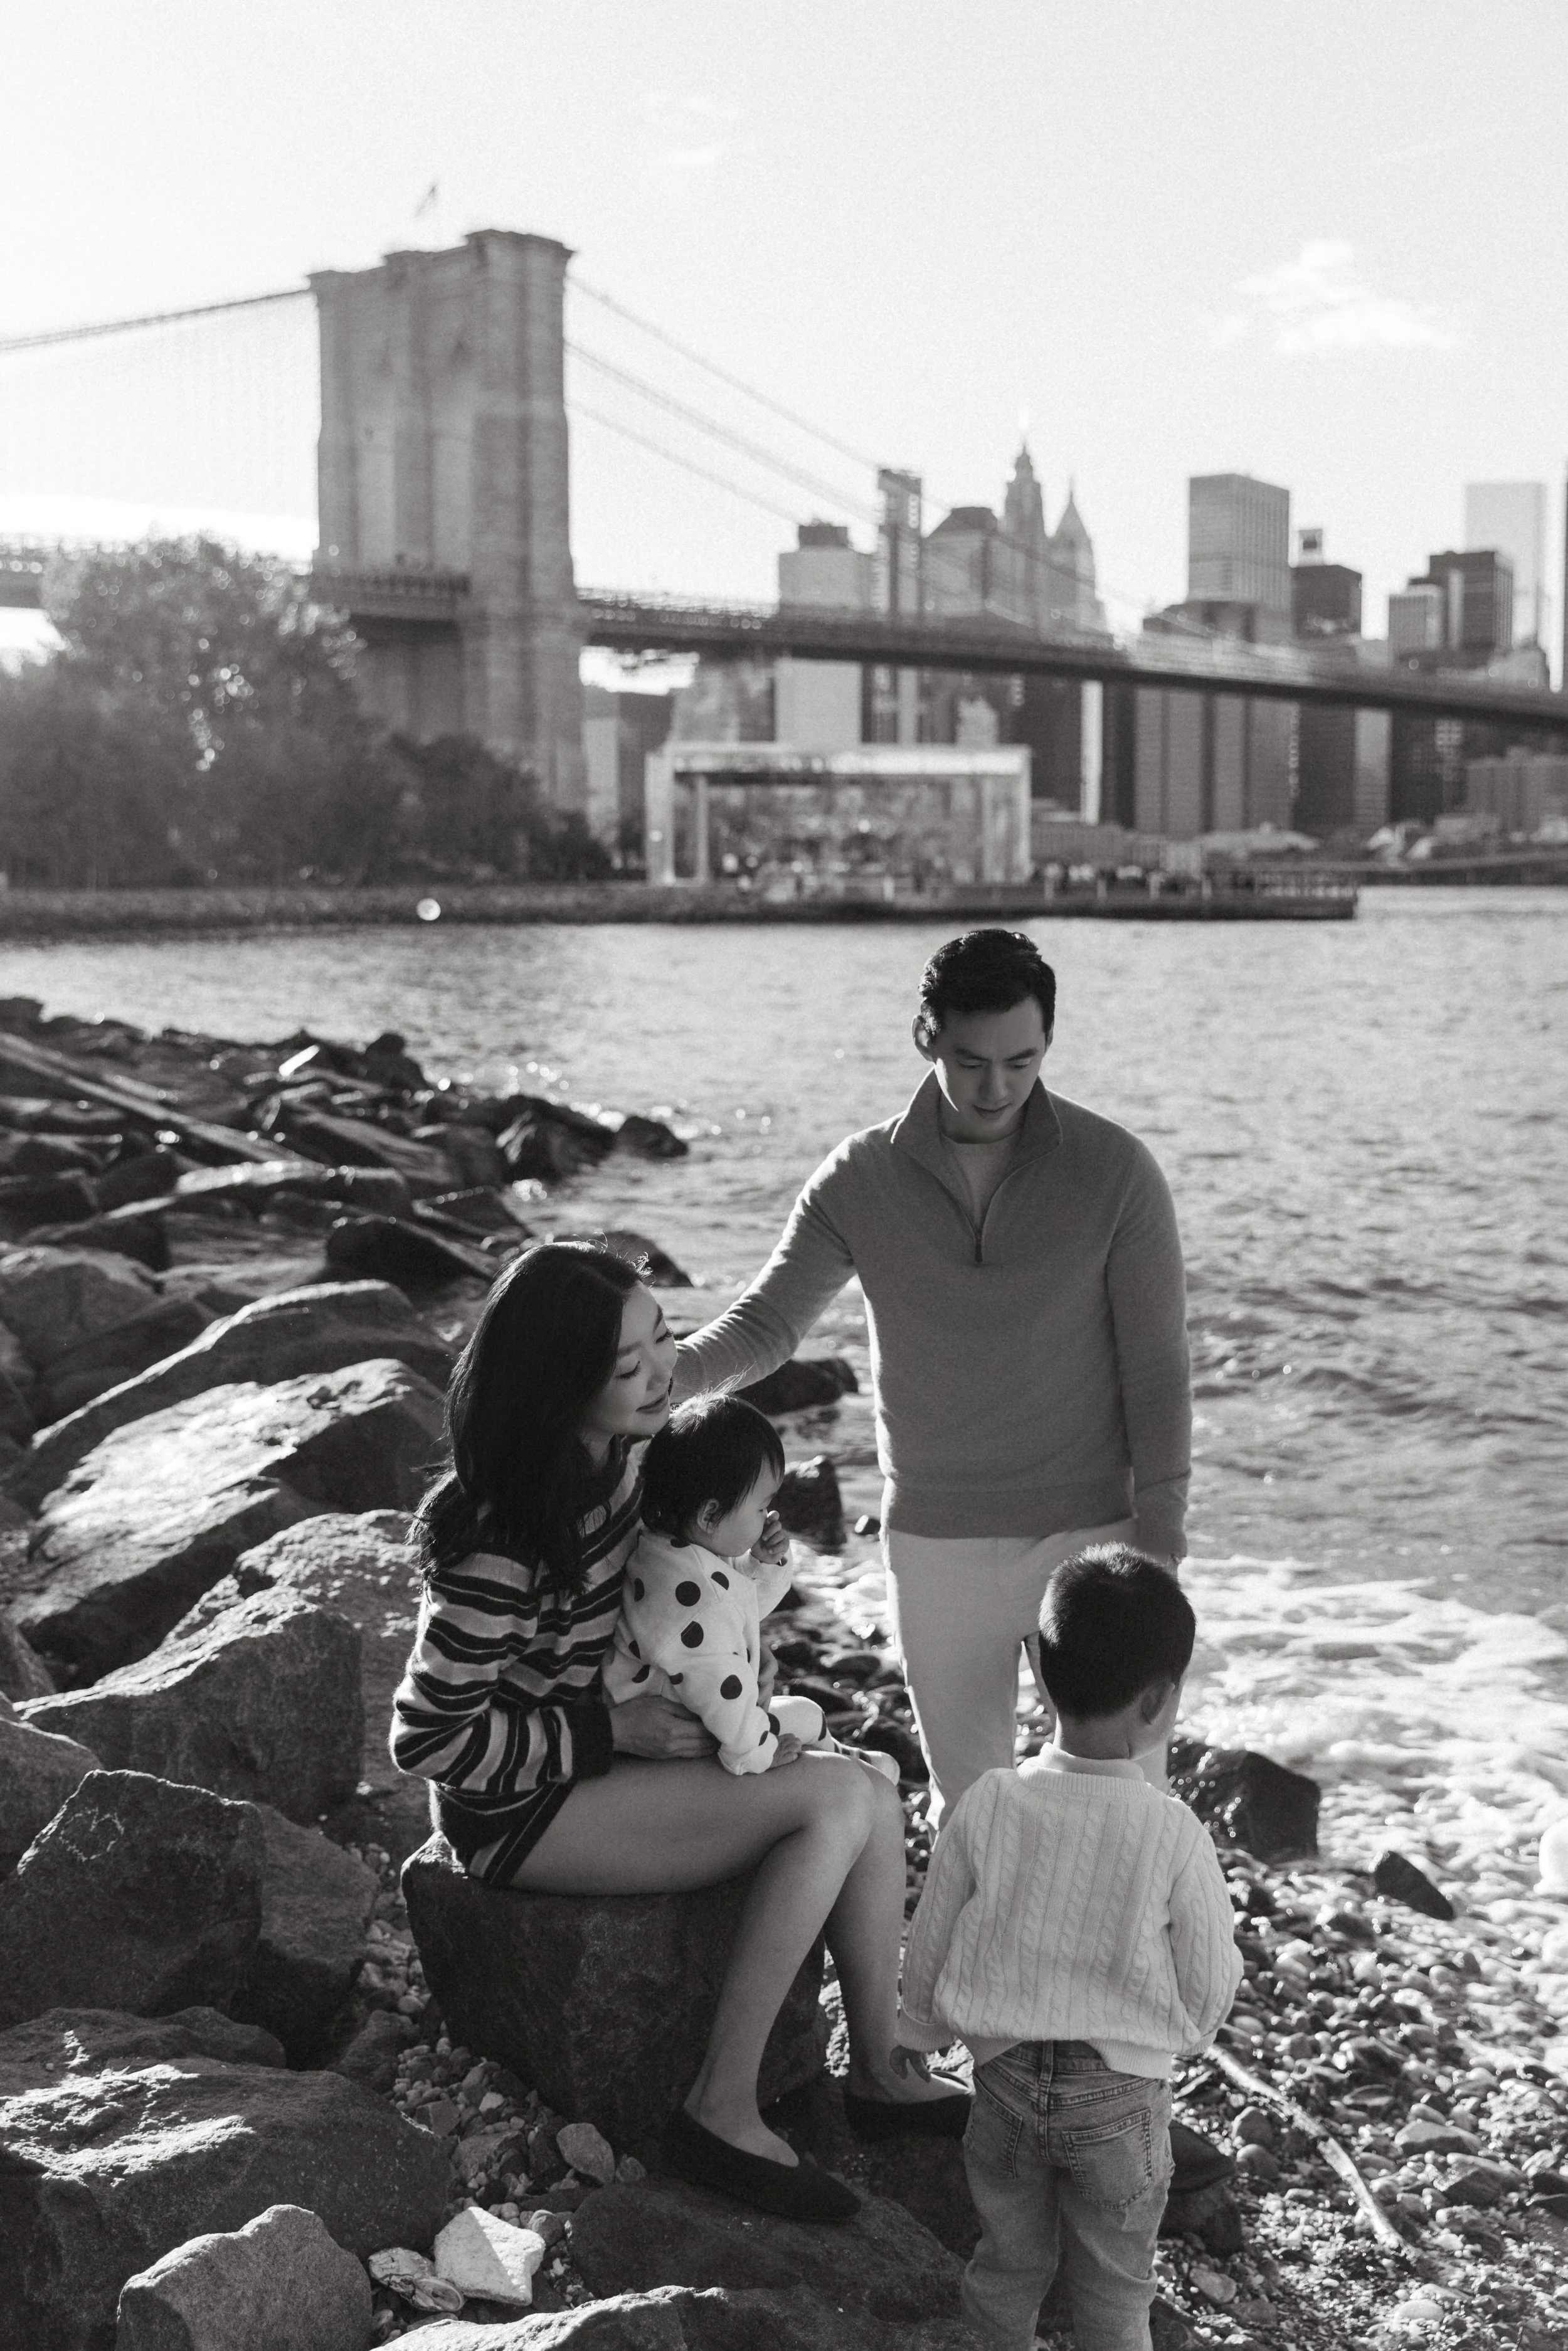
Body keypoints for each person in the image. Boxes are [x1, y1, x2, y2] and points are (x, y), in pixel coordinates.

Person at [389, 1241, 965, 2227]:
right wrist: (604, 1732)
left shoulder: (626, 1457)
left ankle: (880, 2070)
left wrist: (743, 1550)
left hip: (603, 1766)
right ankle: (720, 2109)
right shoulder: (501, 1538)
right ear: (560, 1387)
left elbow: (678, 1579)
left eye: (663, 1337)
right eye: (629, 1367)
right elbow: (426, 1738)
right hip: (519, 1811)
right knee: (832, 1799)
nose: (663, 1372)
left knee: (871, 1786)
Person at [674, 926, 1192, 1822]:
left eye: (1021, 1062)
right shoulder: (860, 1177)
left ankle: (1146, 1968)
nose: (997, 1088)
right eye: (970, 1061)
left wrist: (1163, 1540)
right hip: (937, 1544)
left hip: (1094, 1541)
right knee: (974, 1810)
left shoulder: (1116, 1172)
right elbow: (768, 1325)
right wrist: (661, 1373)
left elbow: (1157, 1368)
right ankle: (980, 1968)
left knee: (1134, 1810)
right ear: (926, 1036)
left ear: (1049, 1045)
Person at [895, 1547, 1241, 2351]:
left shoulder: (990, 1801)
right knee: (1117, 2293)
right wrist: (1176, 2041)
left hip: (1005, 2083)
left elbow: (934, 1924)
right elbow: (1210, 1974)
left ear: (1041, 1676)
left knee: (1006, 2264)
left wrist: (918, 2031)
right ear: (1159, 1701)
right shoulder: (1171, 1830)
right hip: (1120, 2103)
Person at [605, 1393, 897, 1780]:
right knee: (806, 1718)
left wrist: (766, 1562)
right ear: (710, 1514)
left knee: (806, 1715)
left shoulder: (671, 1551)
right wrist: (758, 1754)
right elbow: (725, 1697)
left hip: (689, 1720)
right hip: (671, 1750)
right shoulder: (697, 1602)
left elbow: (745, 1606)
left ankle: (850, 1761)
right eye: (761, 1507)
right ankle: (857, 1768)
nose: (768, 1517)